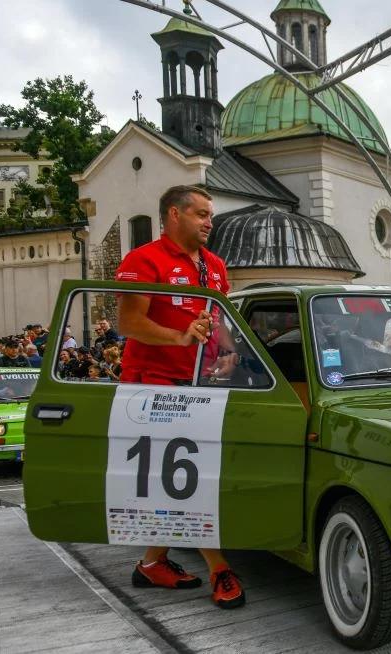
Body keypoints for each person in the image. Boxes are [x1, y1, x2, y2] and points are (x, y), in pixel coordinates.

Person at [114, 184, 243, 610]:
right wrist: (180, 336)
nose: (210, 222)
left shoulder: (215, 265)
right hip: (152, 383)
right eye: (202, 214)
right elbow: (130, 323)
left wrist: (229, 351)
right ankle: (219, 567)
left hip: (198, 386)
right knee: (188, 478)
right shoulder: (142, 259)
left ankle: (152, 563)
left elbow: (219, 320)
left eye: (211, 215)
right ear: (174, 214)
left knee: (182, 480)